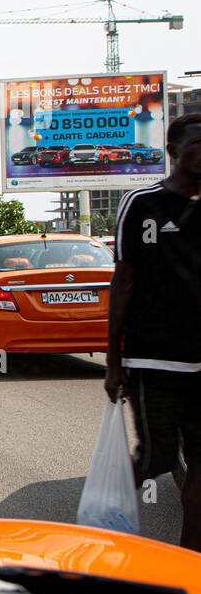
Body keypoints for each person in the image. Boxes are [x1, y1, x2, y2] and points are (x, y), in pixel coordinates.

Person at [105, 113, 201, 551]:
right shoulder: (142, 204)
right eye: (197, 142)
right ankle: (105, 525)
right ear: (174, 151)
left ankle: (188, 564)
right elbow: (123, 282)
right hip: (152, 359)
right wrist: (113, 359)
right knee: (156, 458)